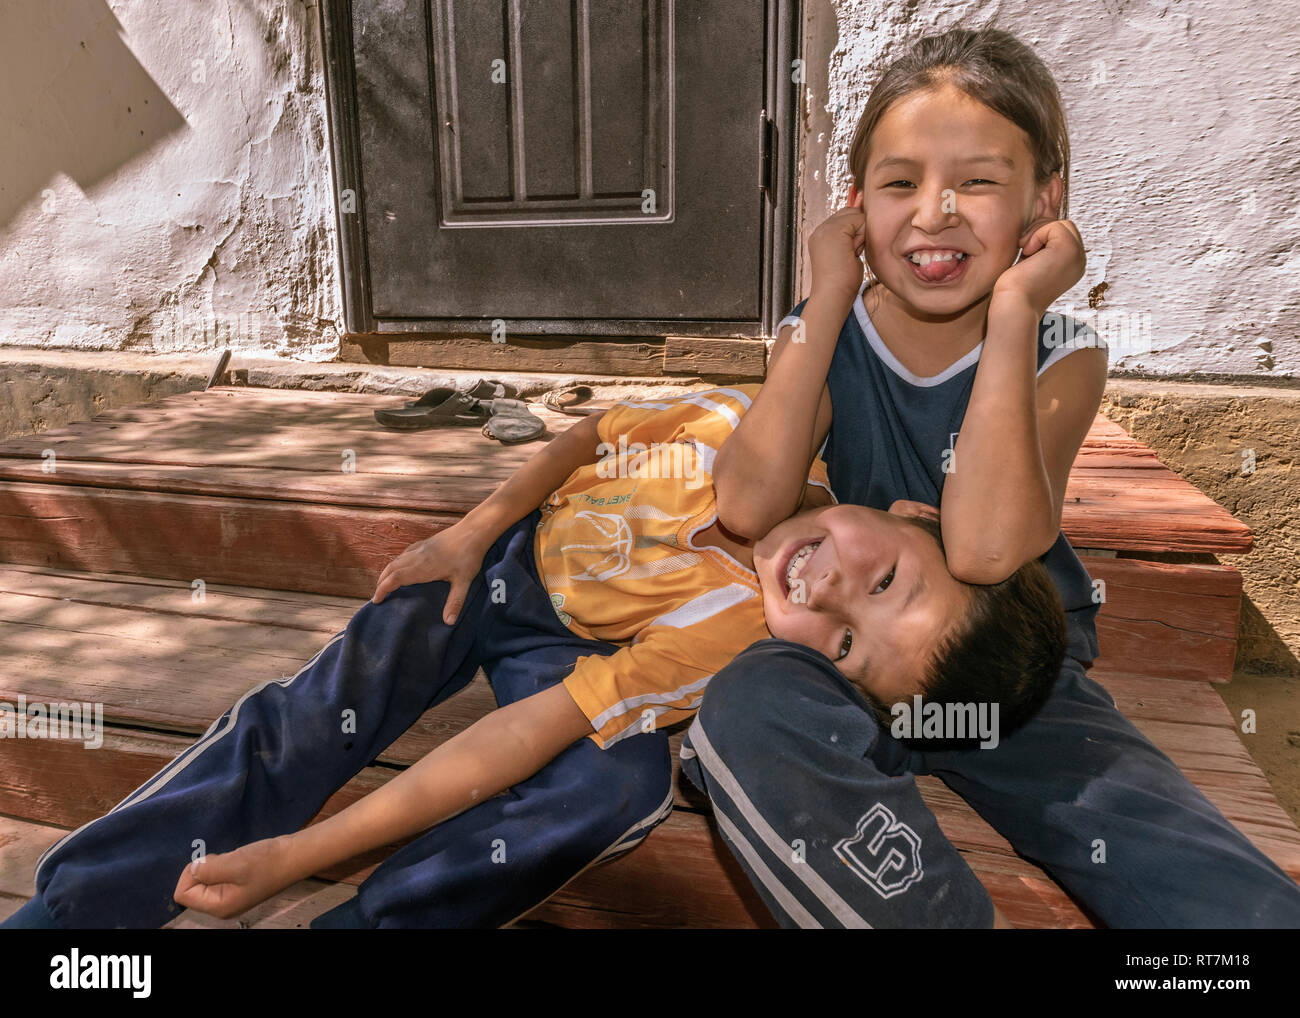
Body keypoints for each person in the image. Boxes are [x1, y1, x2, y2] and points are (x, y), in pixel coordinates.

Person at [1, 383, 1063, 930]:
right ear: (922, 513)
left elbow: (527, 733)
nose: (827, 594)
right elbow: (591, 437)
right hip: (505, 567)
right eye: (885, 584)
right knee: (312, 713)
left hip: (570, 657)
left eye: (842, 650)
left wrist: (296, 859)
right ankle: (74, 916)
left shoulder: (734, 633)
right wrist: (471, 529)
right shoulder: (742, 429)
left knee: (617, 786)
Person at [679, 25, 1300, 928]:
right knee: (750, 708)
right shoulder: (824, 332)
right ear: (855, 206)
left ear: (1045, 202)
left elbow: (982, 546)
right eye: (899, 183)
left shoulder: (1060, 351)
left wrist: (1016, 310)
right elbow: (747, 503)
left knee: (1182, 865)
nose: (934, 213)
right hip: (852, 656)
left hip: (1003, 673)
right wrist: (821, 297)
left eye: (977, 181)